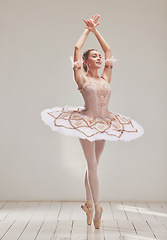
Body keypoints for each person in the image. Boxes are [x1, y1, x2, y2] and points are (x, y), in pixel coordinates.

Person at [40, 14, 144, 229]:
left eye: (98, 56)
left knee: (95, 164)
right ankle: (97, 207)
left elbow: (108, 52)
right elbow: (77, 50)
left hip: (105, 123)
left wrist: (96, 31)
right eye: (93, 56)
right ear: (85, 62)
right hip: (86, 123)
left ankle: (88, 204)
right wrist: (86, 31)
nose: (99, 58)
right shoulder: (82, 78)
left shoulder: (105, 77)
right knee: (92, 164)